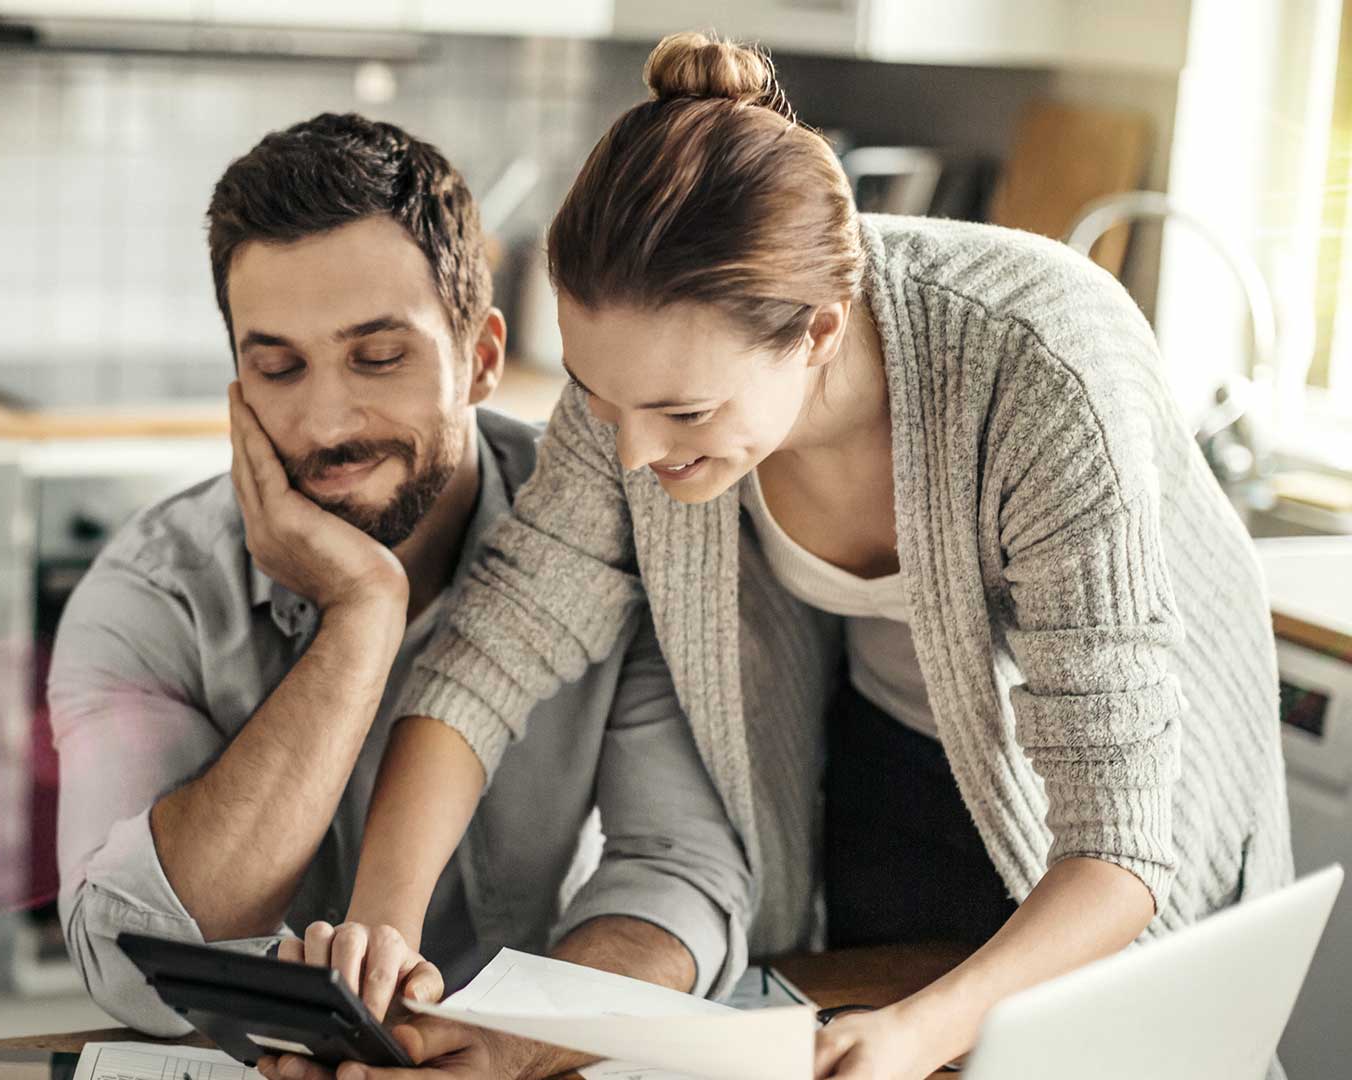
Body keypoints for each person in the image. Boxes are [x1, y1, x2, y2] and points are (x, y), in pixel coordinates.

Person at [328, 32, 1294, 1080]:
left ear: (822, 334)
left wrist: (922, 1028)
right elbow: (494, 651)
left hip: (1120, 810)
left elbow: (1118, 845)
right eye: (602, 401)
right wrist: (380, 924)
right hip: (890, 758)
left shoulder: (1040, 368)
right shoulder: (644, 380)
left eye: (683, 411)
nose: (635, 452)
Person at [48, 112, 753, 1079]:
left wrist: (517, 1042)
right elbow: (128, 953)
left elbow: (681, 877)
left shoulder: (616, 545)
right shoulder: (153, 593)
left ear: (483, 359)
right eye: (278, 366)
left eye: (379, 357)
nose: (327, 420)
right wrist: (362, 616)